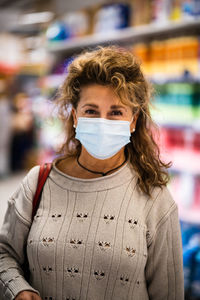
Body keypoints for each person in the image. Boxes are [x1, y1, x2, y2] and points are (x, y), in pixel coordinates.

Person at [0, 46, 184, 300]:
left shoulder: (155, 199)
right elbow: (4, 252)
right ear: (75, 117)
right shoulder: (38, 182)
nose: (103, 122)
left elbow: (168, 293)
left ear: (133, 120)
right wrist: (17, 289)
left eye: (116, 112)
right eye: (91, 111)